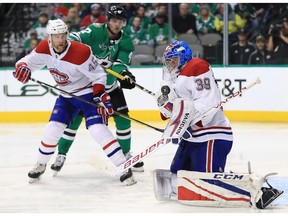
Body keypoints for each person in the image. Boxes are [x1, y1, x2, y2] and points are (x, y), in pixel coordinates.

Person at [153, 40, 283, 208]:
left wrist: (185, 119)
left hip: (212, 135)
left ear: (184, 57)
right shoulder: (173, 80)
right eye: (169, 60)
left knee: (206, 183)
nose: (170, 64)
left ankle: (256, 193)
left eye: (174, 60)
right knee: (177, 174)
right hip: (194, 138)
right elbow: (174, 115)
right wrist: (165, 105)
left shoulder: (196, 67)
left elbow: (208, 103)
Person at [13, 19, 136, 186]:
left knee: (98, 130)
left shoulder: (81, 51)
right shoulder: (44, 48)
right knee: (53, 128)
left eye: (63, 35)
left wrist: (100, 94)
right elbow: (27, 61)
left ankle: (123, 166)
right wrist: (22, 67)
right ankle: (41, 164)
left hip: (87, 94)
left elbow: (99, 75)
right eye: (56, 36)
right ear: (50, 37)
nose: (60, 40)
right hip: (66, 95)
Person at [51, 5, 144, 174]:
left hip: (110, 86)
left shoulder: (126, 41)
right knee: (74, 122)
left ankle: (125, 154)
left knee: (124, 120)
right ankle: (61, 154)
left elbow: (120, 64)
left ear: (124, 23)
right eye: (114, 20)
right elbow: (74, 38)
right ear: (108, 20)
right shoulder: (95, 31)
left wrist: (123, 74)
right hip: (87, 88)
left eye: (121, 21)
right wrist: (83, 55)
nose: (117, 24)